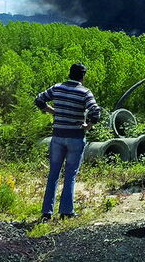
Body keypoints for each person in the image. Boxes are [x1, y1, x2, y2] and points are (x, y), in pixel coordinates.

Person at [34, 63, 101, 221]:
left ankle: (46, 212)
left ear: (69, 74)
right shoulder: (84, 92)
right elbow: (95, 111)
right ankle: (66, 211)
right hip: (76, 137)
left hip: (57, 137)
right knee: (70, 175)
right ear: (82, 76)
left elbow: (39, 100)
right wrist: (88, 126)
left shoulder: (57, 88)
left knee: (53, 174)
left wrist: (52, 111)